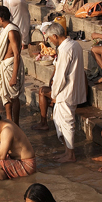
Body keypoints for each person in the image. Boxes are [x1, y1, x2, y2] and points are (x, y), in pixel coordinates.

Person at [44, 23, 86, 163]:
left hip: (66, 92)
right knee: (63, 121)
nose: (50, 41)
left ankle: (70, 154)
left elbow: (61, 76)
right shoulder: (75, 45)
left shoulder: (65, 49)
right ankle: (67, 152)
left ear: (55, 36)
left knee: (67, 123)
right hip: (72, 89)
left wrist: (54, 94)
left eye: (50, 38)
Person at [0, 5, 25, 125]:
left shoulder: (11, 31)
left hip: (10, 67)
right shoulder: (9, 29)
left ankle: (15, 123)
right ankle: (9, 120)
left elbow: (16, 54)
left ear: (1, 18)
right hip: (5, 66)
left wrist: (14, 76)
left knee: (13, 96)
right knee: (6, 95)